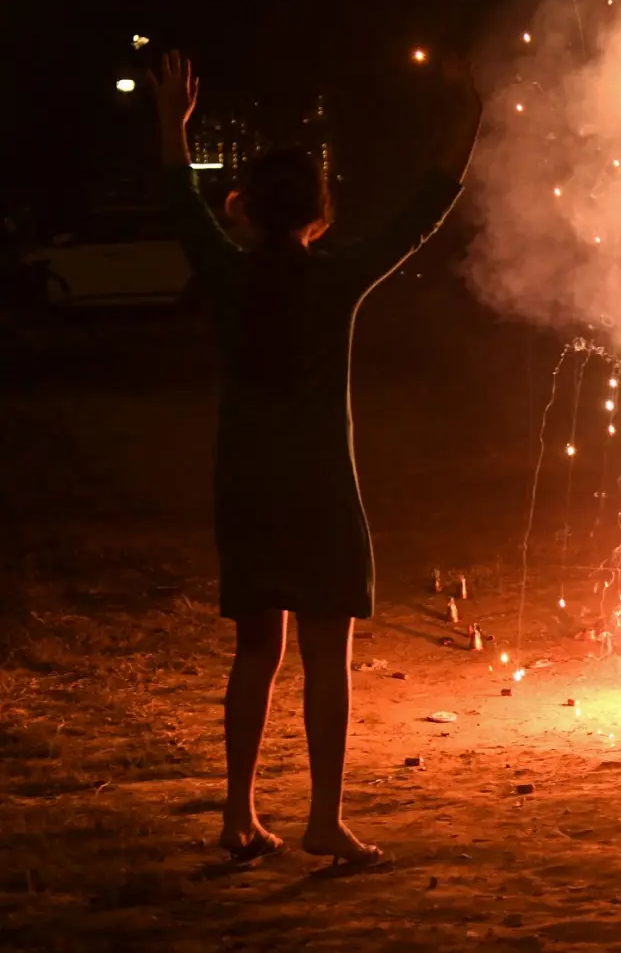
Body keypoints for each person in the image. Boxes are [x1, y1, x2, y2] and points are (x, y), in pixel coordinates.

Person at [151, 50, 479, 866]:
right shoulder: (336, 278)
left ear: (247, 210)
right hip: (321, 493)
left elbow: (177, 197)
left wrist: (171, 123)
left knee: (255, 653)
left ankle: (238, 814)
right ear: (318, 216)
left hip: (247, 490)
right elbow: (420, 216)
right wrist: (467, 119)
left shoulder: (227, 274)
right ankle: (323, 821)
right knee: (326, 660)